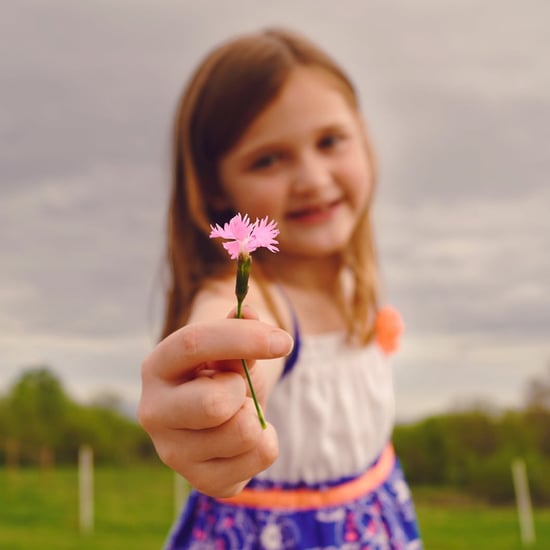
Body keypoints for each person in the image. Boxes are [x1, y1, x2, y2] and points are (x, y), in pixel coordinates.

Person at [139, 26, 423, 549]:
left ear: (364, 136)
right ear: (218, 187)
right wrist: (211, 393)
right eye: (267, 159)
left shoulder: (352, 285)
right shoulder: (256, 292)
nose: (312, 178)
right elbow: (234, 332)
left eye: (330, 141)